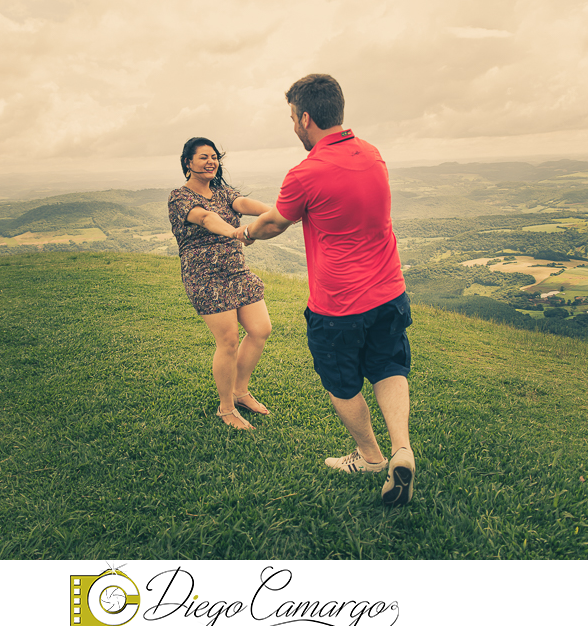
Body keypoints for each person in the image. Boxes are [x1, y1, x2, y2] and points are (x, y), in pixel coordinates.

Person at [234, 74, 416, 506]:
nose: (293, 126)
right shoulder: (372, 154)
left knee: (342, 383)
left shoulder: (306, 172)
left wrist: (246, 234)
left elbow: (276, 222)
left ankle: (371, 457)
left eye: (292, 118)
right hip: (389, 292)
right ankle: (402, 449)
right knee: (388, 366)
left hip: (339, 306)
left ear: (305, 118)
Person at [168, 137, 274, 431]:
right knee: (228, 341)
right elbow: (205, 218)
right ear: (188, 162)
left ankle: (240, 392)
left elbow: (243, 204)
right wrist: (236, 233)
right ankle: (226, 408)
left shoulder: (224, 192)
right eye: (203, 157)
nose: (210, 162)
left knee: (260, 329)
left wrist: (278, 213)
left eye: (214, 157)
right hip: (205, 276)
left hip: (236, 270)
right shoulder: (179, 197)